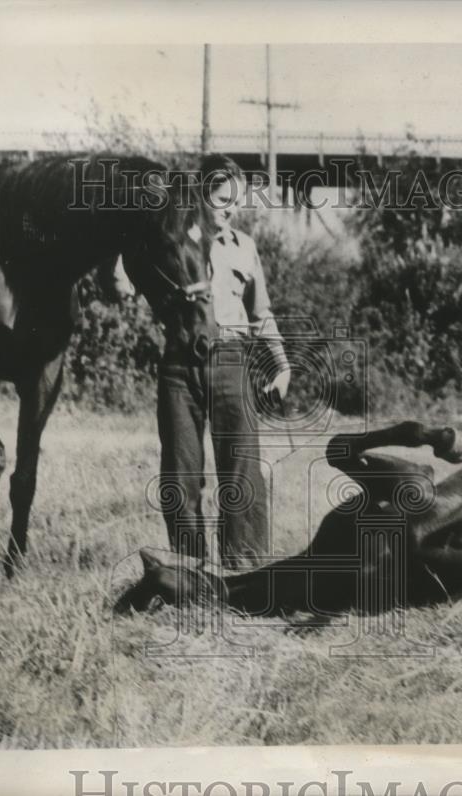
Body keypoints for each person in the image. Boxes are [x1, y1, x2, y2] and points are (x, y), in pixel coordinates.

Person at [157, 155, 291, 570]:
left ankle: (243, 567)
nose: (230, 208)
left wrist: (282, 365)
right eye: (221, 198)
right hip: (180, 367)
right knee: (181, 471)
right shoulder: (171, 240)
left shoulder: (245, 248)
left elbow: (261, 313)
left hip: (232, 361)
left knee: (242, 467)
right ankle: (189, 568)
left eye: (236, 201)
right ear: (201, 195)